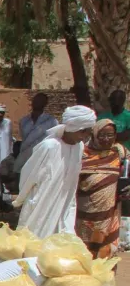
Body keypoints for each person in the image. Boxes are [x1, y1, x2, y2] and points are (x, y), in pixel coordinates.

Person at [13, 105, 97, 239]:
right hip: (42, 204)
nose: (86, 137)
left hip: (65, 205)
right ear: (75, 129)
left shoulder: (79, 147)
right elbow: (28, 175)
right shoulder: (49, 146)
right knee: (35, 243)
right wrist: (21, 199)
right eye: (84, 132)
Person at [75, 119, 126, 258]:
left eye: (110, 135)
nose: (106, 139)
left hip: (110, 211)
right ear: (94, 135)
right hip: (85, 211)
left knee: (107, 252)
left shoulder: (119, 152)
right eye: (102, 135)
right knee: (85, 251)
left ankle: (105, 277)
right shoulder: (82, 153)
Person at [13, 93, 59, 175]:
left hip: (42, 160)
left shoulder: (51, 121)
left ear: (45, 104)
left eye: (40, 101)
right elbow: (24, 139)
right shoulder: (24, 121)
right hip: (25, 158)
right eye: (35, 100)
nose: (36, 103)